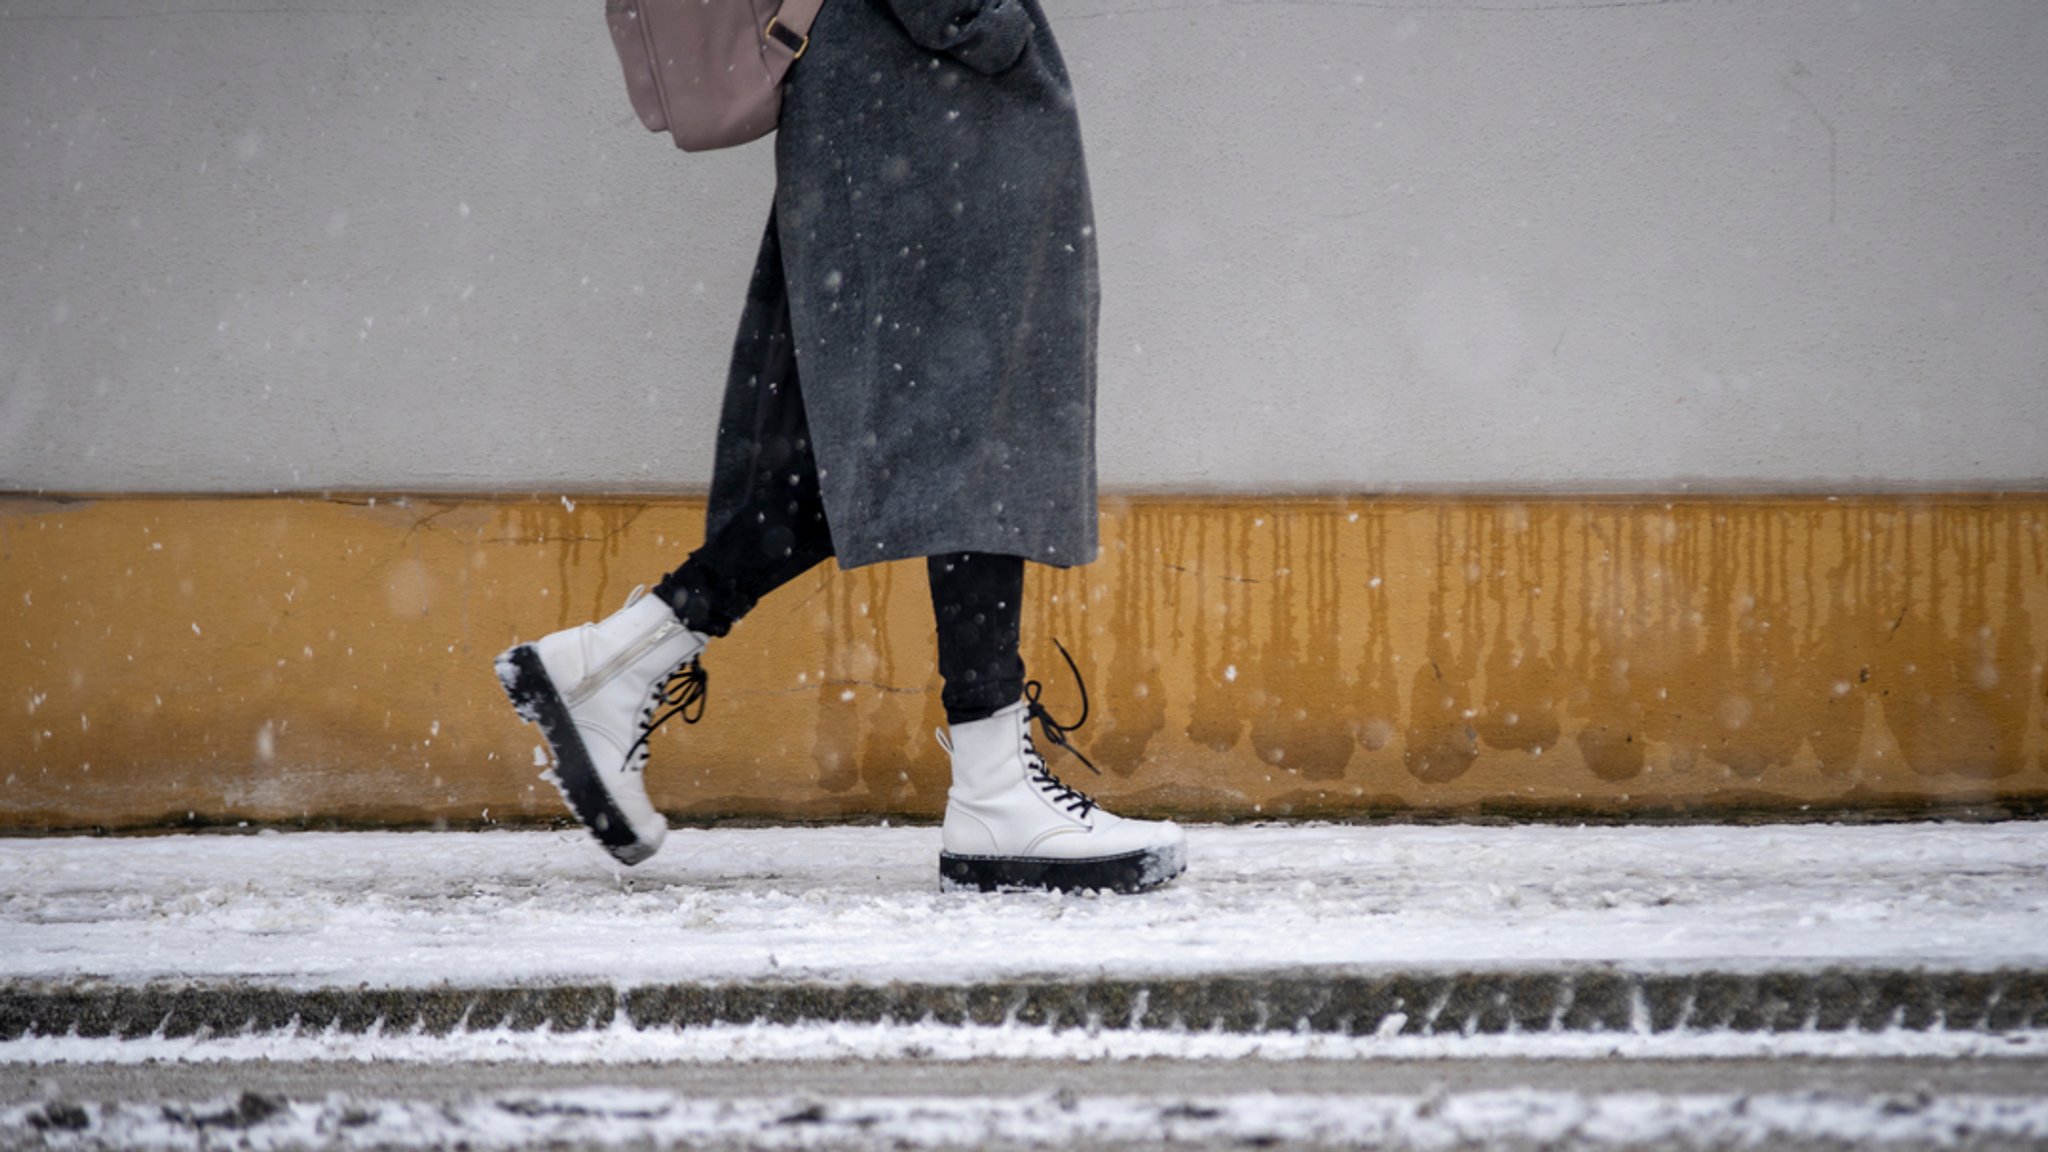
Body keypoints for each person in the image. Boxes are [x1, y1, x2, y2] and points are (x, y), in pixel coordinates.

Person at [494, 0, 1185, 893]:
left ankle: (619, 662)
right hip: (926, 83)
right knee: (961, 426)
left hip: (893, 88)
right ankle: (992, 791)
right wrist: (986, 22)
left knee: (909, 436)